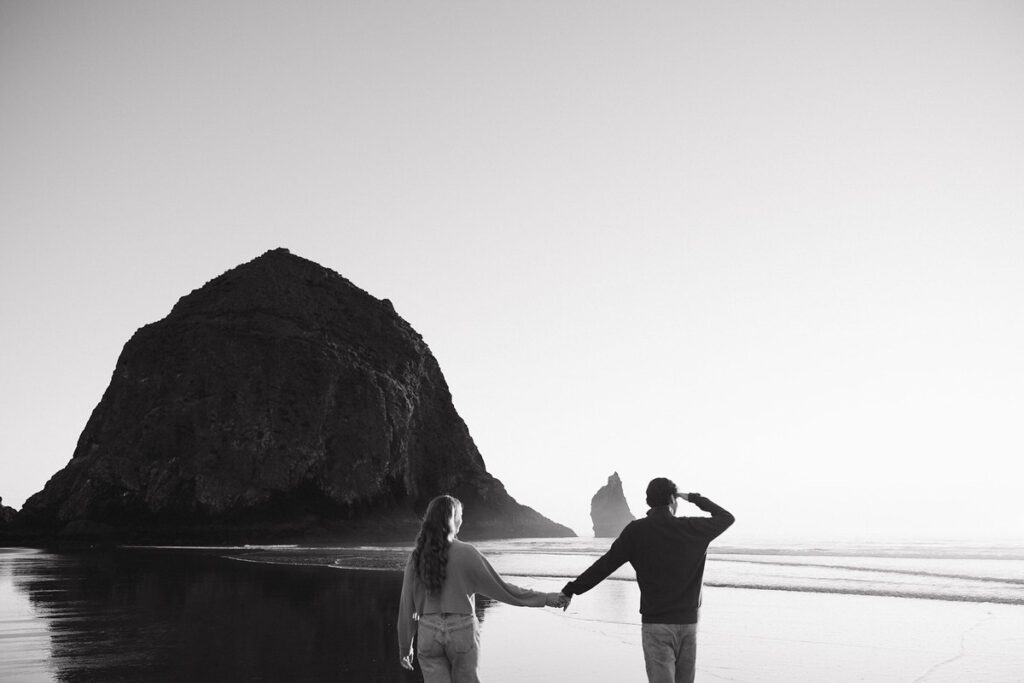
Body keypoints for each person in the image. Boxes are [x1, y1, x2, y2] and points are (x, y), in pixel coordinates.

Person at [559, 478, 734, 683]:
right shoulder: (693, 527)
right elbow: (726, 517)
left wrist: (571, 589)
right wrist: (693, 498)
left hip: (656, 624)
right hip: (688, 624)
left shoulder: (637, 531)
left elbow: (604, 565)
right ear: (672, 499)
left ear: (648, 501)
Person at [397, 494, 567, 682]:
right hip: (461, 630)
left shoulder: (417, 556)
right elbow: (502, 589)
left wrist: (405, 646)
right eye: (460, 515)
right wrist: (545, 598)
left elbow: (407, 606)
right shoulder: (467, 553)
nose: (462, 520)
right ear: (454, 519)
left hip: (428, 631)